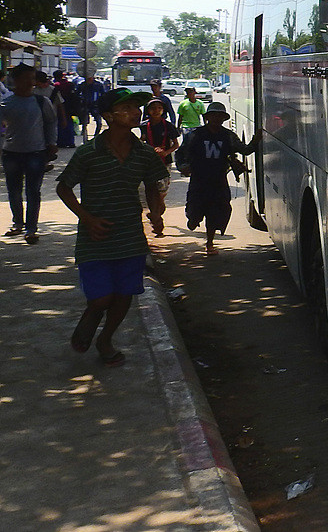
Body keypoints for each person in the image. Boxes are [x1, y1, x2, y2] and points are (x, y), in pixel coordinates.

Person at [56, 88, 167, 367]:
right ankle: (92, 314)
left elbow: (154, 185)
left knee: (124, 293)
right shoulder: (88, 153)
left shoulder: (144, 154)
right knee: (101, 297)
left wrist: (156, 212)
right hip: (95, 236)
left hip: (130, 236)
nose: (135, 112)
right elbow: (64, 187)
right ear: (108, 116)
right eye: (127, 107)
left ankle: (106, 339)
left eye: (136, 107)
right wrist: (87, 218)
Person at [175, 102, 258, 255]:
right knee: (194, 209)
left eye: (220, 116)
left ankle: (210, 242)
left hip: (218, 180)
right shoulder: (195, 135)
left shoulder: (228, 136)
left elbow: (245, 150)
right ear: (207, 118)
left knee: (217, 211)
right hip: (199, 180)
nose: (216, 119)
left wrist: (256, 140)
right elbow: (180, 153)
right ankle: (193, 220)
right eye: (214, 116)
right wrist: (183, 166)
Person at [1, 64, 59, 243]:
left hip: (36, 152)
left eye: (32, 78)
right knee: (14, 190)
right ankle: (18, 223)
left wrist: (52, 143)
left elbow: (51, 123)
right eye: (26, 78)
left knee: (33, 191)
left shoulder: (42, 102)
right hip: (11, 152)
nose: (30, 82)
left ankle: (31, 228)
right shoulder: (6, 103)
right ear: (16, 80)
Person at [139, 98, 181, 231]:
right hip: (149, 163)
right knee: (151, 190)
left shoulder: (168, 126)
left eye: (159, 108)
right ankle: (157, 220)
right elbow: (142, 140)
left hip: (165, 163)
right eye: (152, 108)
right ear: (148, 111)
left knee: (161, 193)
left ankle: (157, 214)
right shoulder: (144, 126)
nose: (156, 111)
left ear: (163, 110)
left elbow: (176, 144)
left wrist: (166, 152)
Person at [52, 70, 82, 147]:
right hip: (70, 107)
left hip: (59, 107)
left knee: (60, 124)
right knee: (69, 124)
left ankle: (61, 142)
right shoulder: (69, 84)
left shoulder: (56, 85)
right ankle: (70, 142)